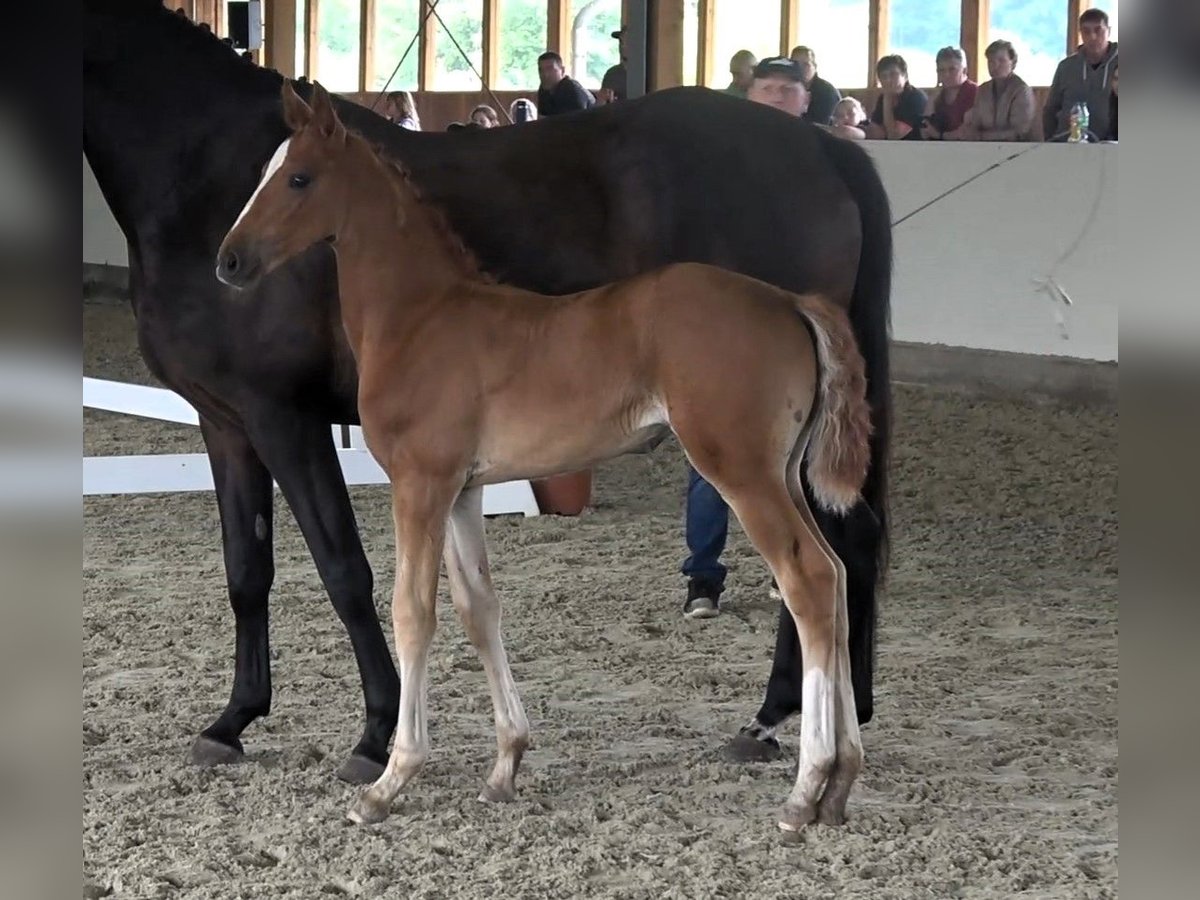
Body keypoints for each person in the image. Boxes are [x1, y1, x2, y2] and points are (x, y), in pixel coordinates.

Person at [679, 55, 809, 620]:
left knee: (793, 458)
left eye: (787, 90)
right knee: (709, 457)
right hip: (722, 330)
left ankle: (788, 567)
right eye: (767, 89)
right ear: (749, 94)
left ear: (805, 99)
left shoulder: (821, 164)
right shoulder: (717, 165)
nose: (777, 98)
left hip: (791, 335)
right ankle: (703, 577)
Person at [1043, 7, 1118, 141]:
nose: (1092, 37)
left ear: (1109, 31)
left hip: (1112, 147)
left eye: (1098, 30)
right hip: (1068, 145)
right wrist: (1051, 141)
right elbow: (1051, 109)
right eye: (1086, 31)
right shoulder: (1066, 67)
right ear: (1080, 34)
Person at [945, 40, 1035, 141]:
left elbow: (1019, 132)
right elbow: (975, 123)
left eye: (1001, 60)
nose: (995, 65)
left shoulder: (1021, 91)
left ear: (1013, 63)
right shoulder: (983, 90)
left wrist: (981, 136)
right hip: (984, 149)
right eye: (991, 61)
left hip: (1016, 150)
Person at [864, 55, 927, 140]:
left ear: (905, 76)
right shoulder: (882, 98)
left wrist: (887, 100)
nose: (888, 80)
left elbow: (894, 135)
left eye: (893, 74)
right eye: (884, 76)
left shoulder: (915, 97)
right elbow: (874, 131)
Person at [920, 47, 978, 140]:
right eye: (941, 70)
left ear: (964, 70)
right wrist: (931, 100)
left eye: (952, 69)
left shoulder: (974, 92)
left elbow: (966, 133)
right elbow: (924, 133)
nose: (946, 75)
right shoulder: (938, 95)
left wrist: (938, 135)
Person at [789, 45, 842, 125]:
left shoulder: (827, 92)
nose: (800, 68)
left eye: (806, 64)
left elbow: (822, 125)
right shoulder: (788, 88)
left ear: (815, 67)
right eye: (795, 64)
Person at [535, 51, 594, 116]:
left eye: (550, 69)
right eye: (541, 70)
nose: (545, 74)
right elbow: (543, 118)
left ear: (562, 70)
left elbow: (576, 123)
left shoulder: (571, 90)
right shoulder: (544, 89)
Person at [598, 27, 628, 104]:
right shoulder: (611, 74)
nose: (623, 46)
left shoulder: (644, 75)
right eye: (621, 42)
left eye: (628, 41)